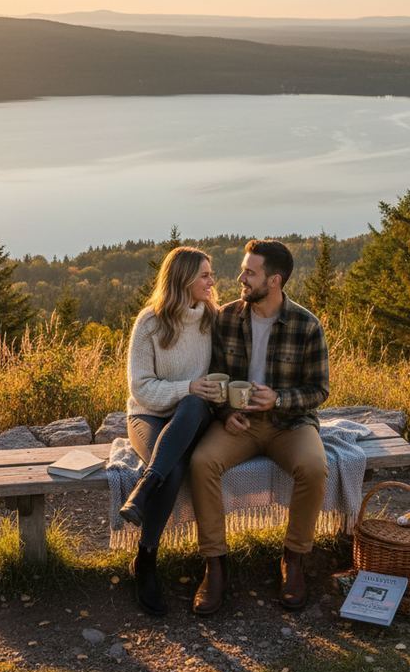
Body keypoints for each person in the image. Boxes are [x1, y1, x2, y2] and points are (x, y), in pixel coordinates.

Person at [189, 239, 329, 615]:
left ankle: (294, 560)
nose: (241, 278)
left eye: (250, 272)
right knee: (202, 462)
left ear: (275, 280)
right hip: (240, 424)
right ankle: (215, 565)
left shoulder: (306, 325)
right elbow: (215, 378)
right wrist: (222, 414)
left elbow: (319, 390)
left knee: (315, 467)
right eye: (243, 270)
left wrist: (280, 400)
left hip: (290, 424)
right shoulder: (227, 318)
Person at [121, 246, 221, 615]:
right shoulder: (150, 322)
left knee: (194, 404)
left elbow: (209, 386)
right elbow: (141, 389)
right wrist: (187, 387)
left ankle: (144, 487)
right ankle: (145, 560)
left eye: (211, 274)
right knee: (174, 468)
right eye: (205, 275)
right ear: (183, 279)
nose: (212, 281)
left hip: (193, 416)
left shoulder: (213, 319)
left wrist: (195, 393)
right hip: (148, 416)